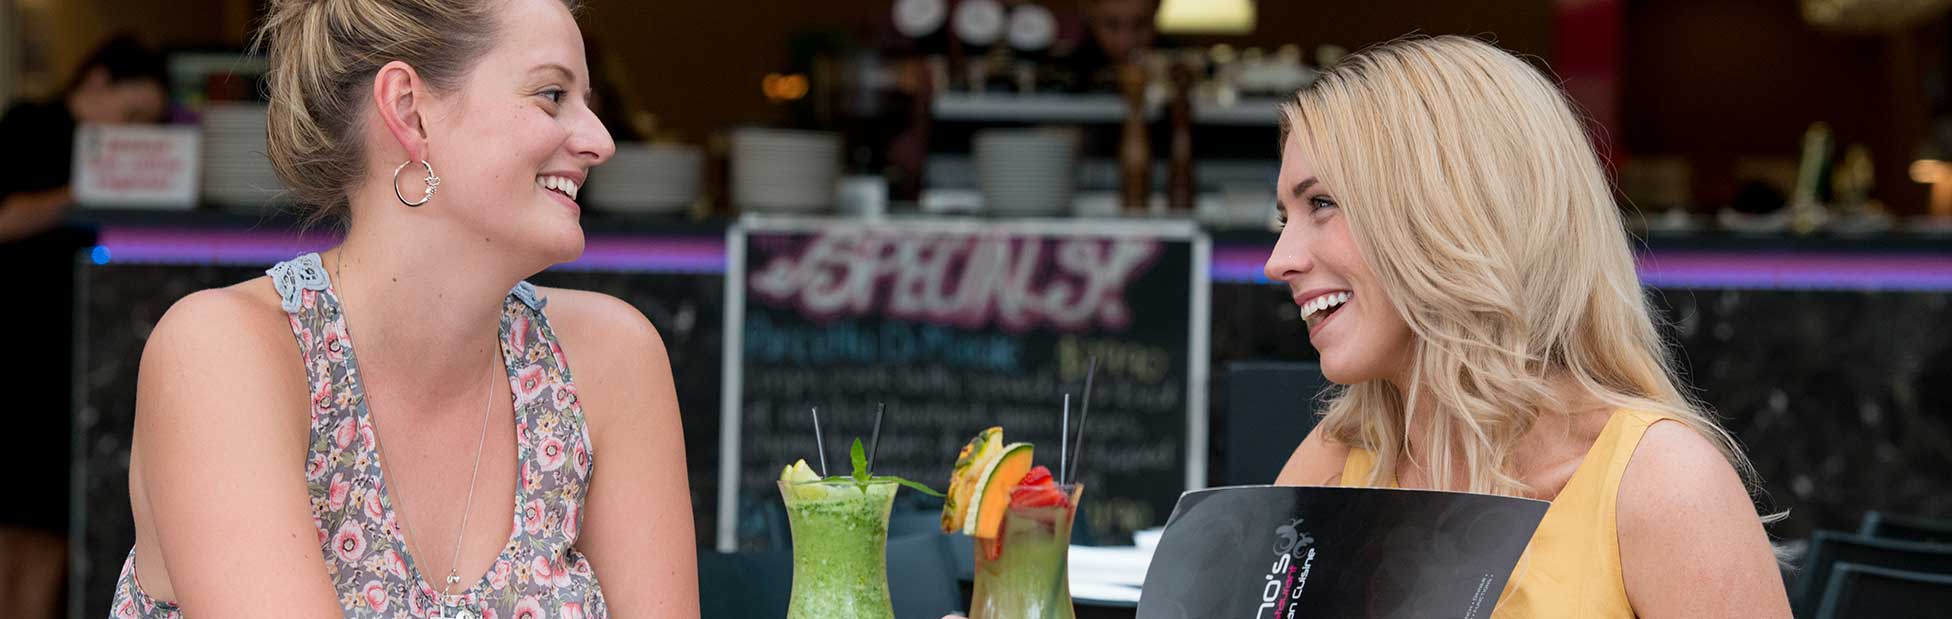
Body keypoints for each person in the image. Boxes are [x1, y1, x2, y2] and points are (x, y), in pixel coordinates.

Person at [112, 0, 698, 617]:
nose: (600, 141)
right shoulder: (226, 354)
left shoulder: (610, 361)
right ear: (409, 111)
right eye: (552, 94)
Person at [1266, 36, 1788, 616]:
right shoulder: (1339, 461)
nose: (1278, 259)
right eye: (1286, 216)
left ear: (1451, 210)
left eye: (1322, 203)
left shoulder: (1662, 484)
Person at [0, 33, 166, 619]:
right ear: (96, 82)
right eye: (133, 114)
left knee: (51, 519)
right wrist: (83, 194)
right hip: (17, 346)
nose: (138, 130)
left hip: (69, 351)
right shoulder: (27, 127)